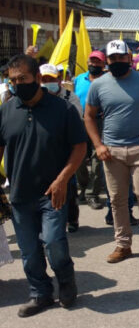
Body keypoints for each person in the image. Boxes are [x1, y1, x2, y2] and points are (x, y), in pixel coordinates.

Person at [0, 54, 87, 317]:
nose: (18, 85)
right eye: (13, 81)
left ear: (38, 78)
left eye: (23, 79)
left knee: (53, 243)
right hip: (19, 194)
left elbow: (80, 147)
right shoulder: (7, 109)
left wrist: (63, 179)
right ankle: (40, 293)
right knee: (28, 251)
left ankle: (66, 280)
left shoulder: (63, 109)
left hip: (53, 193)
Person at [84, 40, 139, 263]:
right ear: (107, 60)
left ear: (129, 58)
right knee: (117, 199)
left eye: (121, 58)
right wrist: (98, 145)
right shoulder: (98, 85)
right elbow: (89, 116)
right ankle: (123, 244)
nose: (117, 62)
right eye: (113, 58)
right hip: (111, 150)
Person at [39, 63, 83, 233]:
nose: (48, 82)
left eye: (51, 79)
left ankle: (72, 217)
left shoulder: (70, 97)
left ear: (58, 80)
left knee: (69, 187)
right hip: (46, 150)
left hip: (67, 149)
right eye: (44, 79)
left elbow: (78, 120)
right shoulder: (37, 99)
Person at [74, 51, 106, 210]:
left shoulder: (108, 80)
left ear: (104, 64)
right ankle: (84, 186)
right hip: (79, 121)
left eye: (98, 62)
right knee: (78, 157)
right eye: (92, 61)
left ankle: (92, 194)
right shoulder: (78, 79)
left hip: (99, 122)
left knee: (97, 158)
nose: (94, 65)